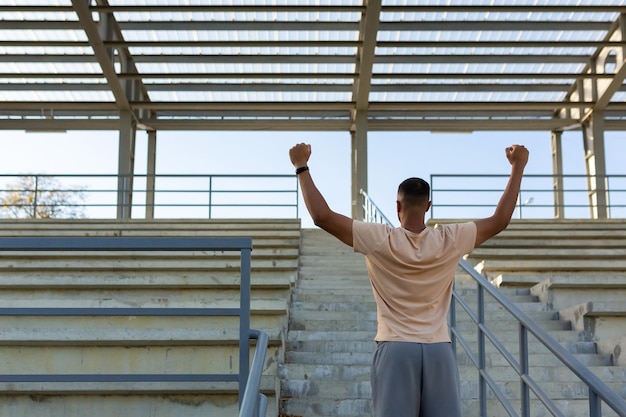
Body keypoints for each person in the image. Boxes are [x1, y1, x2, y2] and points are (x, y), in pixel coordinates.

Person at [289, 142, 529, 417]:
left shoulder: (380, 239)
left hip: (395, 348)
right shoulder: (450, 239)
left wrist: (301, 166)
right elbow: (500, 220)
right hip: (439, 349)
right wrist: (517, 166)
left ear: (397, 205)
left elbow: (322, 216)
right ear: (428, 205)